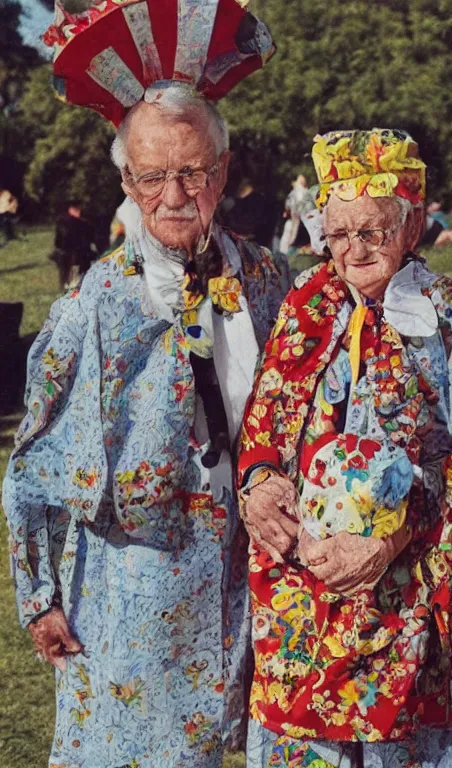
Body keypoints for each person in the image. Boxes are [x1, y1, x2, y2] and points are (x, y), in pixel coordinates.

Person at [2, 1, 280, 765]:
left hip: (255, 570)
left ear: (222, 170)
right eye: (152, 175)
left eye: (193, 171)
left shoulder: (268, 280)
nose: (175, 194)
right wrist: (39, 597)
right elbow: (32, 466)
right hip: (134, 588)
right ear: (126, 178)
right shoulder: (89, 306)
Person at [237, 128, 452, 768]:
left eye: (374, 232)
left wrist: (390, 542)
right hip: (311, 577)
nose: (354, 249)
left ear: (412, 230)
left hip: (419, 576)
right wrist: (259, 480)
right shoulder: (305, 303)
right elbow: (265, 418)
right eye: (339, 232)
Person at [51, 201, 98, 289]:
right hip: (69, 254)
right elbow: (62, 240)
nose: (78, 212)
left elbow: (90, 238)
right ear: (70, 210)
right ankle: (69, 284)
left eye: (78, 209)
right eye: (76, 210)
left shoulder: (84, 222)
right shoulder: (64, 223)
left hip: (79, 254)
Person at [280, 173, 313, 253]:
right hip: (305, 226)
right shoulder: (308, 193)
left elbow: (287, 210)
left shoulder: (293, 194)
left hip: (297, 227)